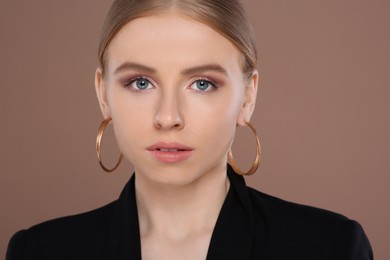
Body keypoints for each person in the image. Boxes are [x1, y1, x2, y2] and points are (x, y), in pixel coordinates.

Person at [6, 0, 373, 259]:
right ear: (103, 93)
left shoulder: (330, 247)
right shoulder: (38, 250)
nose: (168, 117)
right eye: (140, 83)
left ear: (247, 96)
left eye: (201, 84)